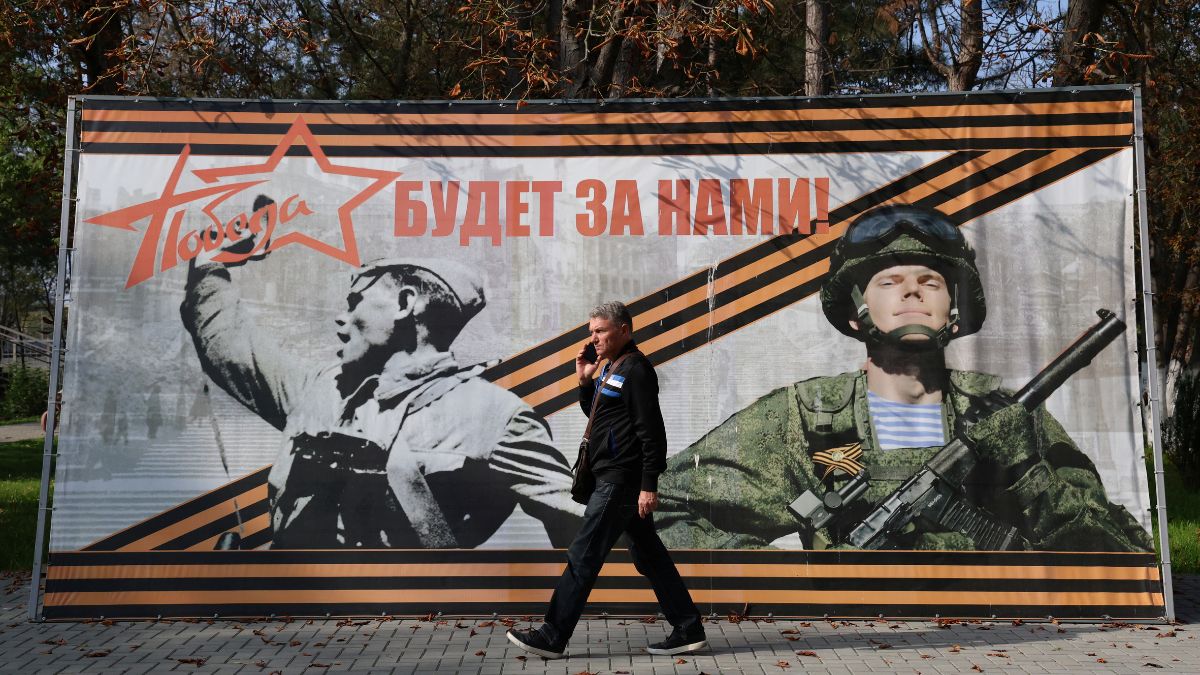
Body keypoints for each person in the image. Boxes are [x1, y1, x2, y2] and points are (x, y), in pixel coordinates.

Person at [655, 204, 1154, 553]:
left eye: (930, 281)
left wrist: (1027, 471)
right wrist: (793, 580)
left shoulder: (1006, 415)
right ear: (855, 313)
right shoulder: (805, 418)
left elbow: (1119, 554)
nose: (912, 291)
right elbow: (661, 508)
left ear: (953, 310)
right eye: (889, 281)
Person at [180, 196, 582, 549]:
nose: (341, 319)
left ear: (405, 304)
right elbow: (230, 345)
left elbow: (585, 531)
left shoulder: (496, 416)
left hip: (407, 611)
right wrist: (211, 265)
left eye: (354, 301)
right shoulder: (320, 388)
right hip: (291, 606)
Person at [507, 302, 706, 659]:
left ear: (624, 330)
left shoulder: (637, 370)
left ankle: (552, 634)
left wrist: (649, 485)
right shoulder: (612, 368)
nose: (593, 338)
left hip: (620, 480)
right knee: (650, 556)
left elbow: (652, 433)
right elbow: (600, 417)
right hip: (612, 478)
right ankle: (688, 628)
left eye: (600, 331)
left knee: (583, 554)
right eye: (591, 332)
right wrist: (585, 382)